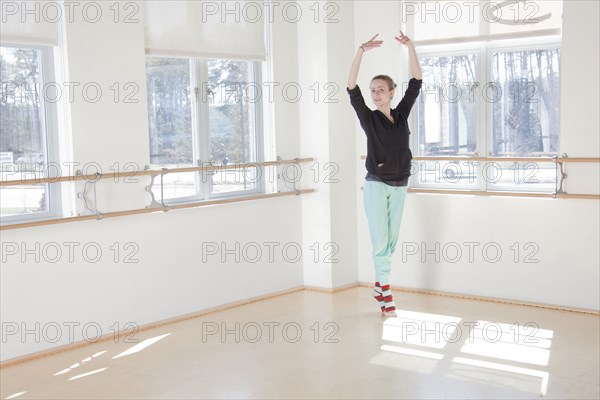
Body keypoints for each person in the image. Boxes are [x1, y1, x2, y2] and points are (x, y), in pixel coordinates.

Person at [347, 31, 422, 317]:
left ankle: (380, 284)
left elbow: (416, 82)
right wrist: (361, 51)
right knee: (380, 242)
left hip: (400, 184)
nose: (376, 94)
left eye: (381, 89)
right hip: (377, 185)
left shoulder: (401, 113)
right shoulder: (369, 118)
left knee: (391, 242)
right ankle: (386, 291)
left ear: (391, 92)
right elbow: (351, 86)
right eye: (373, 90)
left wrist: (411, 47)